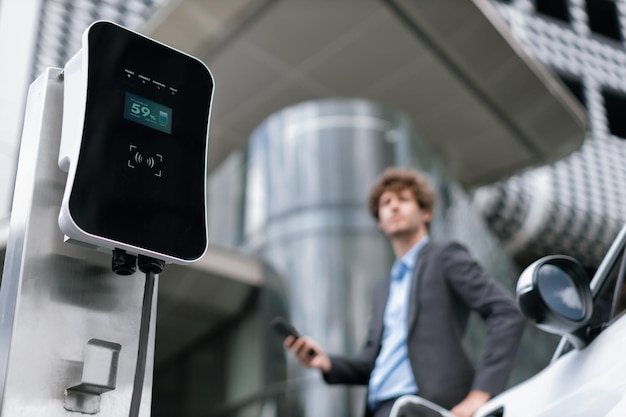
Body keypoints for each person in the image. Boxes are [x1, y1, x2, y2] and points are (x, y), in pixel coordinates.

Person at [284, 167, 525, 417]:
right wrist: (326, 362)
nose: (394, 207)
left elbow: (505, 312)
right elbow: (371, 363)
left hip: (425, 406)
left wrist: (481, 394)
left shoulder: (444, 257)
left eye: (403, 199)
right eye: (386, 203)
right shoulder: (383, 290)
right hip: (380, 409)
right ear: (379, 221)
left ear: (426, 212)